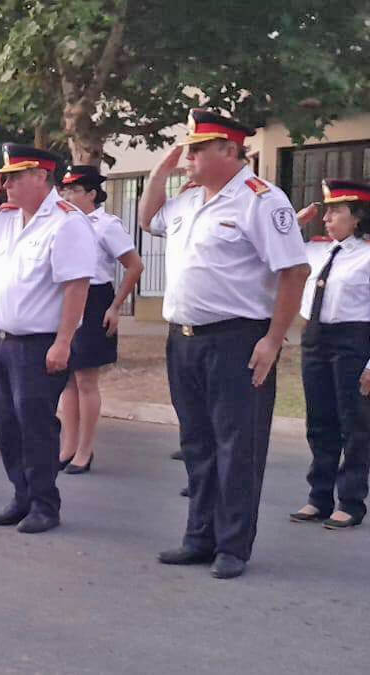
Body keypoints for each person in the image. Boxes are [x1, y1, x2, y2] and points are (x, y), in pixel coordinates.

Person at [138, 109, 310, 579]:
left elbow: (294, 271)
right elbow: (148, 218)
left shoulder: (260, 200)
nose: (189, 157)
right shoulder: (189, 200)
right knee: (197, 443)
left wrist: (273, 340)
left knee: (238, 446)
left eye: (198, 148)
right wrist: (159, 174)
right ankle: (199, 537)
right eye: (188, 149)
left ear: (230, 151)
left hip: (237, 338)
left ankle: (233, 546)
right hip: (185, 339)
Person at [0, 143, 97, 533]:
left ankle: (44, 504)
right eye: (5, 179)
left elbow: (76, 286)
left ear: (41, 177)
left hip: (38, 342)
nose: (8, 186)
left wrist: (64, 341)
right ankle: (21, 496)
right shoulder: (3, 220)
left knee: (34, 425)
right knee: (7, 426)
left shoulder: (66, 222)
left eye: (15, 178)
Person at [289, 179, 370, 530]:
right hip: (316, 339)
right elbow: (269, 248)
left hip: (353, 339)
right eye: (327, 211)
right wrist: (296, 221)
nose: (327, 218)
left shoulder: (367, 255)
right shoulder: (316, 250)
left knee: (353, 422)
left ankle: (350, 501)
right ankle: (318, 497)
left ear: (357, 217)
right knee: (319, 420)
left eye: (336, 211)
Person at [56, 165, 144, 474]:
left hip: (95, 299)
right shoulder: (62, 221)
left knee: (86, 379)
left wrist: (116, 306)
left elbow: (134, 266)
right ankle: (67, 445)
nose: (66, 195)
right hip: (68, 298)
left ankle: (85, 450)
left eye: (74, 190)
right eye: (64, 190)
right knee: (66, 377)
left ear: (92, 194)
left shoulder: (106, 225)